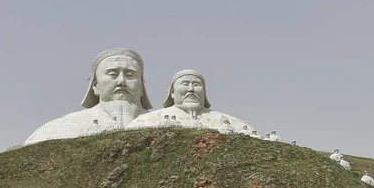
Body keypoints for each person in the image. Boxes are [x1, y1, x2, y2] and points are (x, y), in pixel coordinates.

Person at [24, 49, 152, 144]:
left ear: (141, 87)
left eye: (130, 75)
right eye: (113, 74)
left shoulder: (159, 121)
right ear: (95, 85)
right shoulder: (52, 131)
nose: (121, 81)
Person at [126, 70, 254, 132]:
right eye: (185, 84)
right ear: (172, 93)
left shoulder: (234, 123)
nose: (191, 89)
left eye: (196, 85)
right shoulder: (146, 121)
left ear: (204, 92)